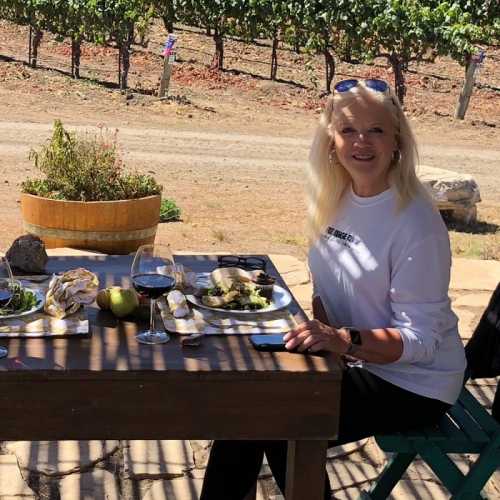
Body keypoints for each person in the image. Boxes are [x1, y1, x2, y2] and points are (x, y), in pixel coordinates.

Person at [200, 79, 467, 500]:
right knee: (247, 405)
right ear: (331, 140)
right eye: (348, 130)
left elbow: (423, 341)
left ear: (397, 139)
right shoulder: (334, 197)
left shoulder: (416, 221)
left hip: (414, 383)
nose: (362, 141)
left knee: (274, 421)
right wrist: (327, 346)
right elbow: (324, 293)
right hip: (356, 361)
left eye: (376, 130)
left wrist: (342, 342)